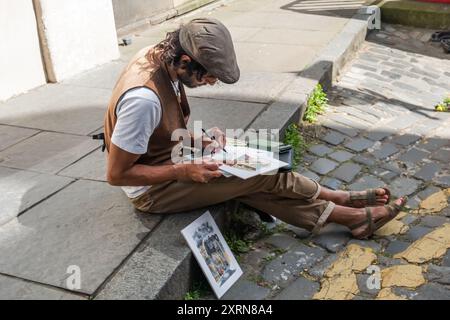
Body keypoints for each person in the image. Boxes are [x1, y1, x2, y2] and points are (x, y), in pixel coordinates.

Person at [104, 18, 406, 240]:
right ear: (185, 60)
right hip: (151, 191)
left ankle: (350, 214)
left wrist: (199, 139)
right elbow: (117, 174)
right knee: (262, 176)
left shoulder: (159, 54)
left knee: (253, 173)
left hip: (170, 160)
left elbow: (159, 131)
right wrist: (183, 171)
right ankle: (340, 202)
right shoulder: (143, 100)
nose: (212, 83)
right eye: (209, 76)